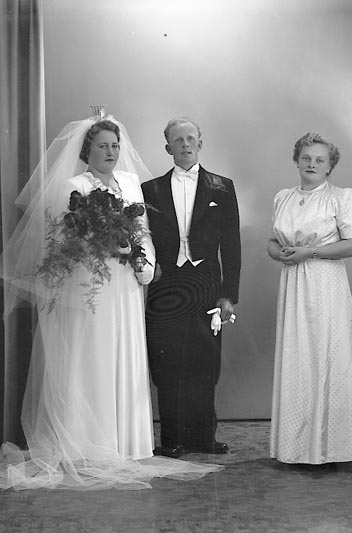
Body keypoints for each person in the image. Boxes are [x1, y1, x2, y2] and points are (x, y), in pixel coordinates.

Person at [0, 113, 221, 490]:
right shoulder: (76, 186)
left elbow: (144, 230)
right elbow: (64, 241)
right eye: (102, 146)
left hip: (127, 286)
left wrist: (143, 262)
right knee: (94, 356)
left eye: (115, 146)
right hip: (92, 287)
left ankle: (128, 443)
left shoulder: (130, 183)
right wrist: (103, 244)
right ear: (87, 151)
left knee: (125, 354)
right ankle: (89, 444)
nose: (110, 152)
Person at [266, 132, 352, 464]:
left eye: (319, 160)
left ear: (329, 166)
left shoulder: (341, 197)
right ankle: (296, 447)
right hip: (293, 281)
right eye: (306, 158)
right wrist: (281, 254)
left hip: (325, 283)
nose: (311, 164)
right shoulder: (283, 197)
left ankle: (331, 447)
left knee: (325, 353)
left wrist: (309, 252)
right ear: (297, 160)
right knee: (297, 354)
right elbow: (272, 241)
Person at [143, 117, 241, 458]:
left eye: (190, 138)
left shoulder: (222, 187)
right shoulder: (150, 190)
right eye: (177, 140)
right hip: (166, 285)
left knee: (205, 361)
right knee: (167, 362)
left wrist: (228, 295)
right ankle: (172, 438)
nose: (184, 144)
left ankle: (203, 437)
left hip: (205, 285)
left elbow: (232, 245)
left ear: (200, 143)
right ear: (167, 147)